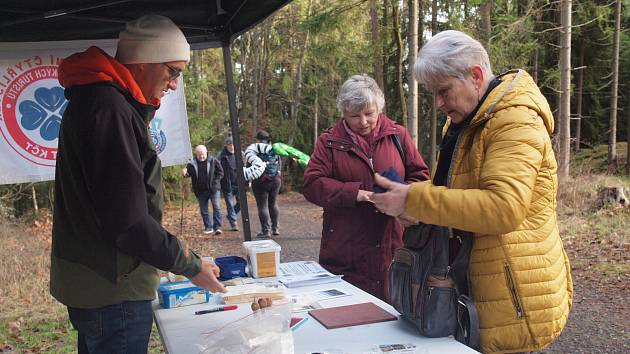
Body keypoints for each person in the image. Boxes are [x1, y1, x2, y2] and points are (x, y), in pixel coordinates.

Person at [370, 30, 573, 353]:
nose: (438, 103)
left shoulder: (515, 120)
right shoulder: (465, 121)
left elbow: (502, 208)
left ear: (476, 76)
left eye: (443, 91)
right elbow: (454, 192)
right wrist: (414, 206)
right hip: (475, 288)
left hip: (512, 296)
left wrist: (417, 200)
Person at [51, 14, 225, 354]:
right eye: (173, 70)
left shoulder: (100, 103)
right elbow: (128, 221)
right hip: (113, 288)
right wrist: (191, 265)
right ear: (144, 62)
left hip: (100, 283)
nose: (175, 83)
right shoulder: (109, 109)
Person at [302, 74, 430, 300]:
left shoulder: (397, 135)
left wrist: (402, 198)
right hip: (346, 249)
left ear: (379, 108)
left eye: (369, 113)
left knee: (394, 316)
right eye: (354, 116)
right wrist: (355, 193)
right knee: (350, 318)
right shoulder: (329, 142)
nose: (363, 122)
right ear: (344, 113)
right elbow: (312, 184)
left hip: (393, 245)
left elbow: (420, 175)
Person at [246, 130, 282, 238]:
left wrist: (247, 181)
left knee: (263, 206)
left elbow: (249, 167)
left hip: (260, 181)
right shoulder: (274, 149)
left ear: (258, 140)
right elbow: (279, 164)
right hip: (275, 180)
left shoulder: (254, 150)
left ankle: (266, 231)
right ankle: (275, 228)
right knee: (273, 203)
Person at [183, 145, 224, 235]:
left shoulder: (213, 160)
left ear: (206, 153)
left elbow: (220, 172)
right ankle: (208, 227)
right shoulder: (192, 163)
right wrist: (185, 173)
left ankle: (217, 226)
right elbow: (188, 174)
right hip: (200, 190)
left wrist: (215, 182)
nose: (201, 156)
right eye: (199, 155)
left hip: (213, 189)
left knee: (216, 206)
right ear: (196, 154)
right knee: (203, 210)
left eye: (203, 154)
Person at [218, 136, 240, 231]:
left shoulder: (241, 154)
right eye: (229, 144)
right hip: (227, 184)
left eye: (233, 144)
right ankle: (233, 223)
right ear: (226, 145)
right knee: (230, 204)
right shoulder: (221, 155)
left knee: (242, 203)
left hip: (239, 184)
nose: (232, 146)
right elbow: (216, 168)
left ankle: (232, 215)